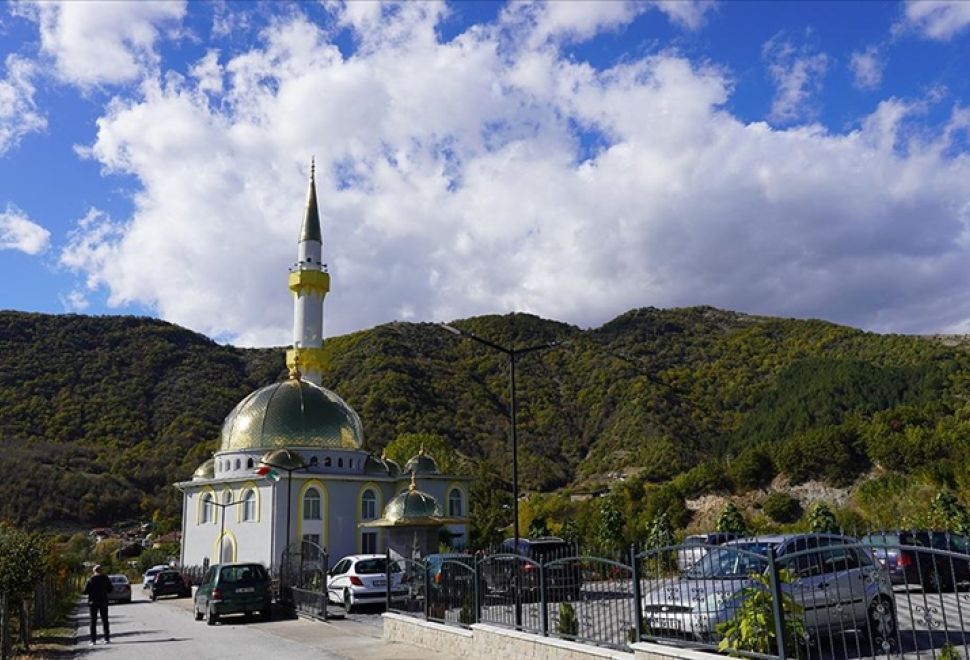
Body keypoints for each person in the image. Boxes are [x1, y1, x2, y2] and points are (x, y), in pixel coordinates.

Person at [83, 565, 113, 645]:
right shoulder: (105, 578)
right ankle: (106, 639)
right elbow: (110, 589)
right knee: (105, 620)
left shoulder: (91, 579)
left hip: (93, 602)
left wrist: (91, 591)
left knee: (93, 621)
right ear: (101, 570)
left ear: (94, 571)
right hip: (103, 601)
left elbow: (85, 591)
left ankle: (93, 640)